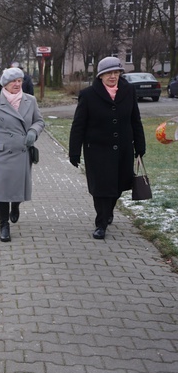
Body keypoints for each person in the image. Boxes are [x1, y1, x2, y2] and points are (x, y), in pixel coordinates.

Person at [68, 56, 146, 240]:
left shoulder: (129, 91)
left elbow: (135, 119)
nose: (113, 76)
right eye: (108, 73)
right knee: (101, 187)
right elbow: (78, 125)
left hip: (123, 149)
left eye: (116, 72)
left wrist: (140, 144)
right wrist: (74, 151)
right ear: (100, 76)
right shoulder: (88, 95)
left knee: (118, 186)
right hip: (97, 150)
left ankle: (109, 210)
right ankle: (101, 223)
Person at [0, 67, 45, 242]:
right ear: (5, 84)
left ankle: (16, 205)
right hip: (2, 153)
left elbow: (40, 121)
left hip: (22, 152)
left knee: (17, 187)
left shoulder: (30, 101)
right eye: (14, 81)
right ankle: (3, 225)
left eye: (20, 81)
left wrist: (33, 132)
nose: (17, 84)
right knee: (2, 189)